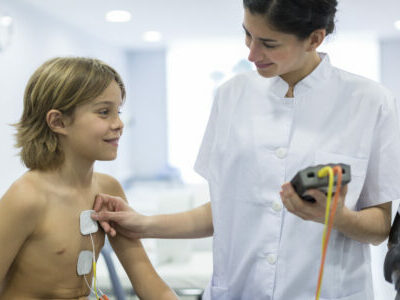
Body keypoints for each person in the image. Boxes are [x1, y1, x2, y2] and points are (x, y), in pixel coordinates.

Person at [92, 0, 400, 299]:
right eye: (247, 34)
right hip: (238, 290)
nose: (252, 54)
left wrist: (337, 217)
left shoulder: (370, 102)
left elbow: (379, 227)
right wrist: (142, 223)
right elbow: (225, 211)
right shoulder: (231, 96)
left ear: (315, 38)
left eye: (268, 43)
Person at [0, 57, 177, 300]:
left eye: (118, 111)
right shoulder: (27, 198)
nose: (119, 123)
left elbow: (147, 279)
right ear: (58, 121)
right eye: (104, 112)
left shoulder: (108, 189)